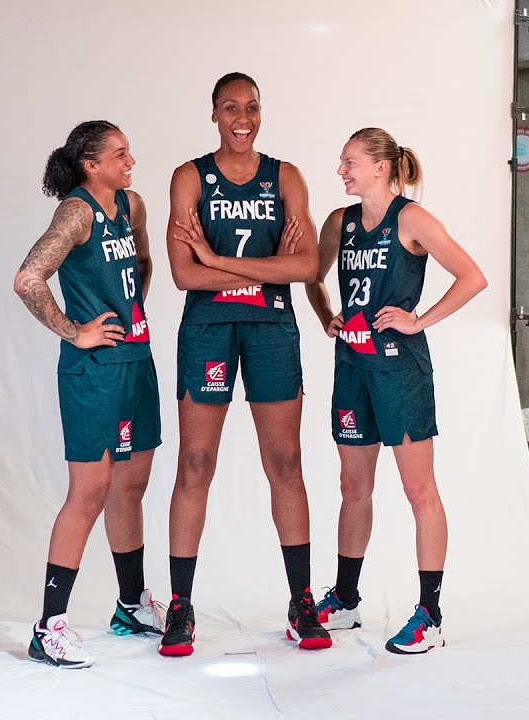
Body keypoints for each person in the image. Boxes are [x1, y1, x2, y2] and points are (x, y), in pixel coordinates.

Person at [161, 72, 328, 655]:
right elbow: (184, 274)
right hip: (207, 328)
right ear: (213, 114)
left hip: (272, 328)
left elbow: (306, 266)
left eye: (252, 107)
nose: (243, 117)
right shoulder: (189, 176)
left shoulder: (286, 176)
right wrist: (262, 266)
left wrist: (216, 258)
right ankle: (180, 606)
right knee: (195, 462)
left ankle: (301, 599)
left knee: (285, 460)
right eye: (231, 107)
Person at [304, 128, 487, 654]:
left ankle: (430, 612)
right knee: (352, 488)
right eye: (342, 163)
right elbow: (313, 276)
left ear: (380, 168)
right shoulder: (339, 223)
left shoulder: (410, 219)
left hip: (400, 371)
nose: (341, 171)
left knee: (418, 490)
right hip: (352, 368)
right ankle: (345, 598)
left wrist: (419, 320)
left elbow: (472, 276)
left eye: (350, 162)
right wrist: (326, 317)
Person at [14, 120, 165, 668]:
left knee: (131, 484)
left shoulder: (133, 205)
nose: (131, 161)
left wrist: (130, 314)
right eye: (120, 154)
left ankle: (130, 605)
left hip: (135, 359)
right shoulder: (77, 213)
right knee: (90, 489)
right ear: (90, 165)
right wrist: (76, 330)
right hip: (92, 370)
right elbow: (29, 278)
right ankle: (48, 626)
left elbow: (143, 263)